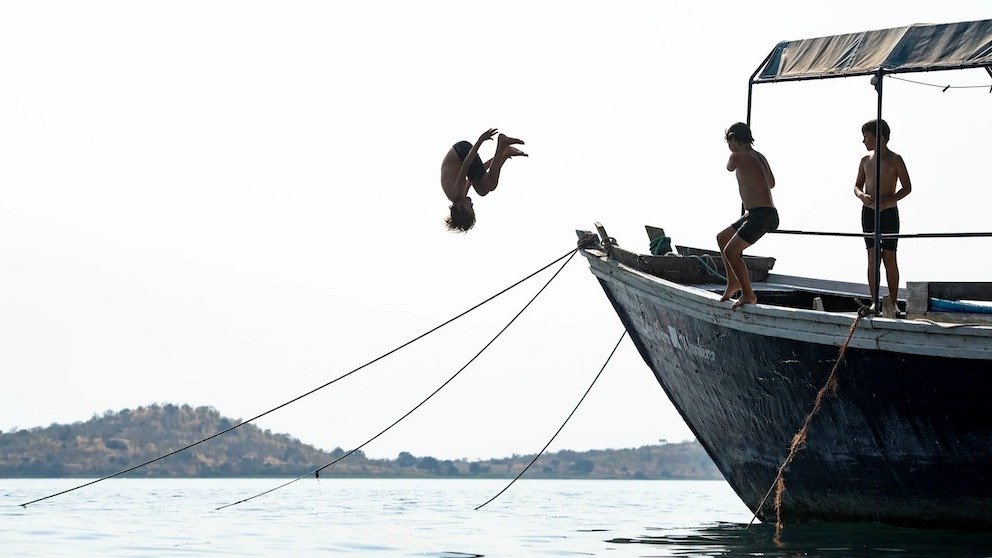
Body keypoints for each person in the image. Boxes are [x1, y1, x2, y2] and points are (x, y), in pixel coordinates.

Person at [853, 118, 912, 316]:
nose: (863, 141)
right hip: (869, 212)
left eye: (866, 137)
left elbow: (907, 187)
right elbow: (856, 186)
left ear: (880, 138)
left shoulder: (895, 159)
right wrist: (862, 196)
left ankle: (893, 302)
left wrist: (888, 201)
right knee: (872, 256)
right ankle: (873, 302)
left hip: (888, 212)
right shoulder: (865, 160)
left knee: (889, 256)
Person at [716, 122, 779, 309]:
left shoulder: (736, 156)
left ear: (736, 139)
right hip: (758, 213)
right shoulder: (760, 157)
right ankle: (733, 282)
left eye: (730, 141)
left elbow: (729, 167)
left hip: (761, 215)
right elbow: (772, 183)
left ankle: (748, 294)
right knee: (723, 238)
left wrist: (736, 156)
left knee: (731, 251)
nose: (729, 146)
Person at [441, 128, 527, 232]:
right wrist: (501, 157)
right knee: (483, 190)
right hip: (461, 154)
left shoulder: (456, 193)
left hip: (462, 152)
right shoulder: (459, 195)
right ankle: (505, 150)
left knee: (490, 185)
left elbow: (466, 165)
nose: (472, 205)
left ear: (459, 207)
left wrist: (480, 140)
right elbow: (480, 172)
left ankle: (502, 144)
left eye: (470, 208)